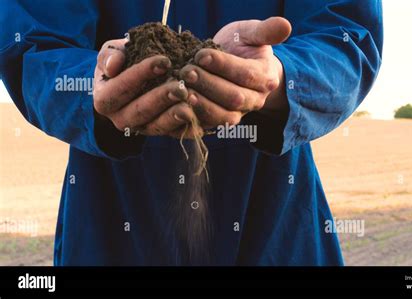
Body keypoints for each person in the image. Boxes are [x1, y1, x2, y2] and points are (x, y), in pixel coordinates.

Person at [0, 0, 383, 265]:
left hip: (273, 219)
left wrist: (279, 76)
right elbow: (33, 46)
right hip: (108, 218)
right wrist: (93, 83)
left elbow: (346, 34)